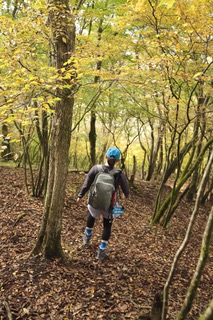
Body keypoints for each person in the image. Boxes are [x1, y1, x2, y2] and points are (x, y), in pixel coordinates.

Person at [76, 147, 129, 260]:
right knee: (107, 225)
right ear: (118, 161)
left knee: (91, 214)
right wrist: (124, 195)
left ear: (106, 156)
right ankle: (101, 251)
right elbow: (126, 192)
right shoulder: (119, 173)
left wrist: (80, 196)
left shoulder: (96, 169)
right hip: (109, 205)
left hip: (94, 202)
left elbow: (86, 184)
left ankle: (87, 237)